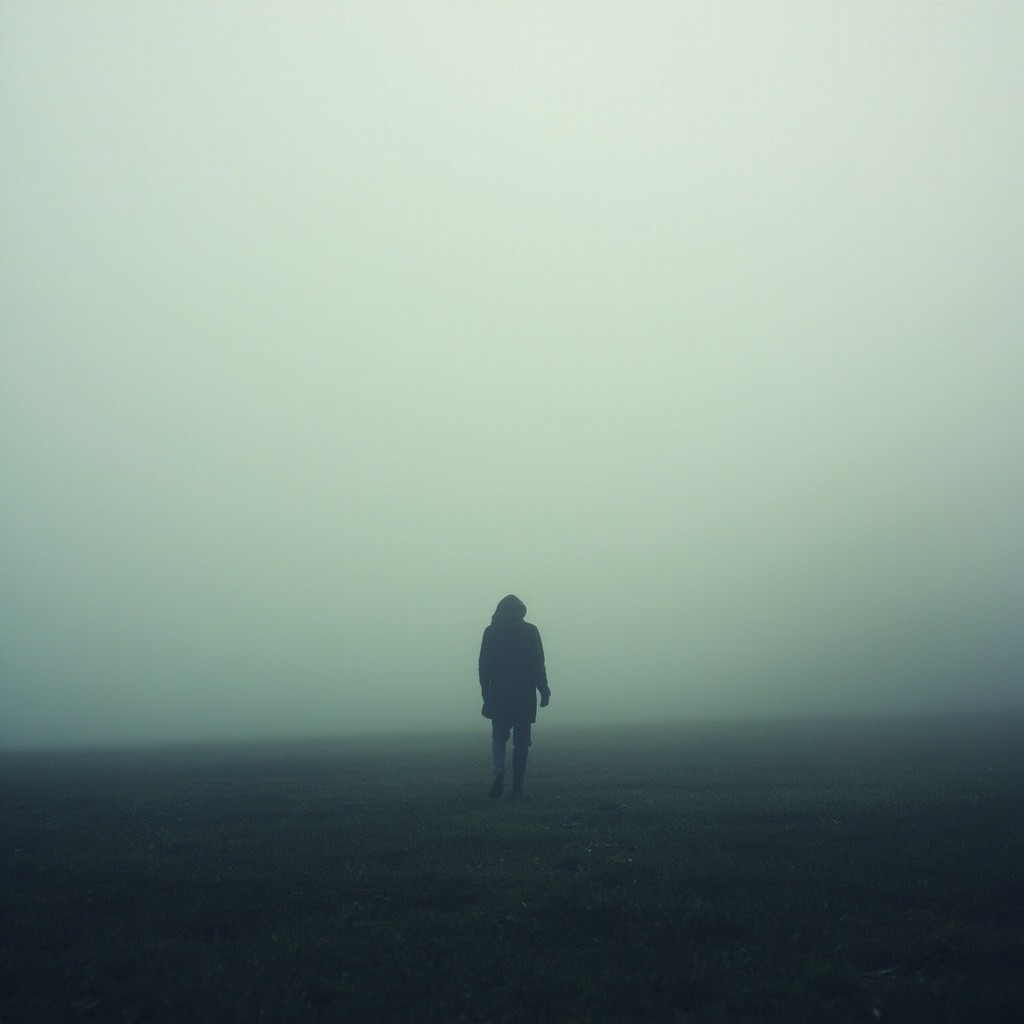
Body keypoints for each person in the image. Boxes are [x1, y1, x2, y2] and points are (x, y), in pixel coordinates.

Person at [478, 595, 550, 798]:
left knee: (498, 736)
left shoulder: (491, 632)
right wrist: (544, 690)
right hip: (524, 694)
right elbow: (538, 664)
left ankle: (498, 772)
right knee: (522, 741)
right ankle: (517, 787)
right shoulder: (530, 631)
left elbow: (484, 665)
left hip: (498, 692)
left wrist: (485, 692)